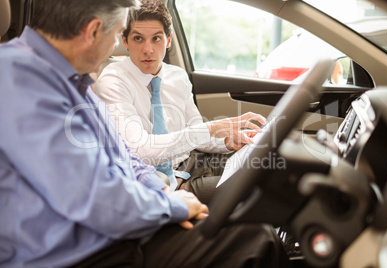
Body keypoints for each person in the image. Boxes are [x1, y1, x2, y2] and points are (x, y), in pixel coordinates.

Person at [0, 0, 292, 267]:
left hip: (112, 227)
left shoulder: (67, 79)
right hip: (79, 252)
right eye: (119, 35)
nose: (119, 45)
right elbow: (97, 200)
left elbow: (124, 155)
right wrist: (170, 205)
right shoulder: (19, 80)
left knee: (250, 227)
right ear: (93, 31)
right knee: (254, 239)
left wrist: (160, 189)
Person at [95, 0, 266, 203]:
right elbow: (141, 151)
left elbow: (195, 129)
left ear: (168, 41)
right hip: (161, 181)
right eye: (138, 38)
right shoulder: (113, 80)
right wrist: (211, 128)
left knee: (267, 165)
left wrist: (228, 141)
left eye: (156, 39)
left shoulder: (178, 77)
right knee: (255, 192)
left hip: (192, 163)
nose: (148, 49)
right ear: (125, 41)